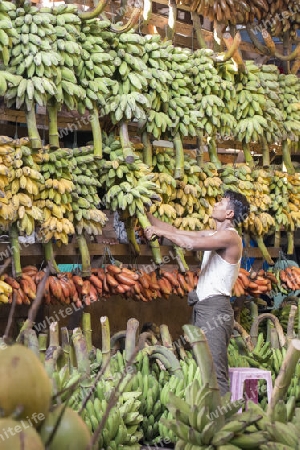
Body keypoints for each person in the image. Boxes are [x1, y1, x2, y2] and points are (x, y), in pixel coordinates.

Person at [144, 190, 250, 396]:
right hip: (204, 308)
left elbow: (189, 243)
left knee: (214, 371)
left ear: (229, 214)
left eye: (221, 202)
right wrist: (147, 214)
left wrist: (163, 234)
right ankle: (208, 420)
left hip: (216, 311)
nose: (216, 204)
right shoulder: (215, 234)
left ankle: (223, 423)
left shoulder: (230, 237)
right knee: (202, 369)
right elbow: (176, 230)